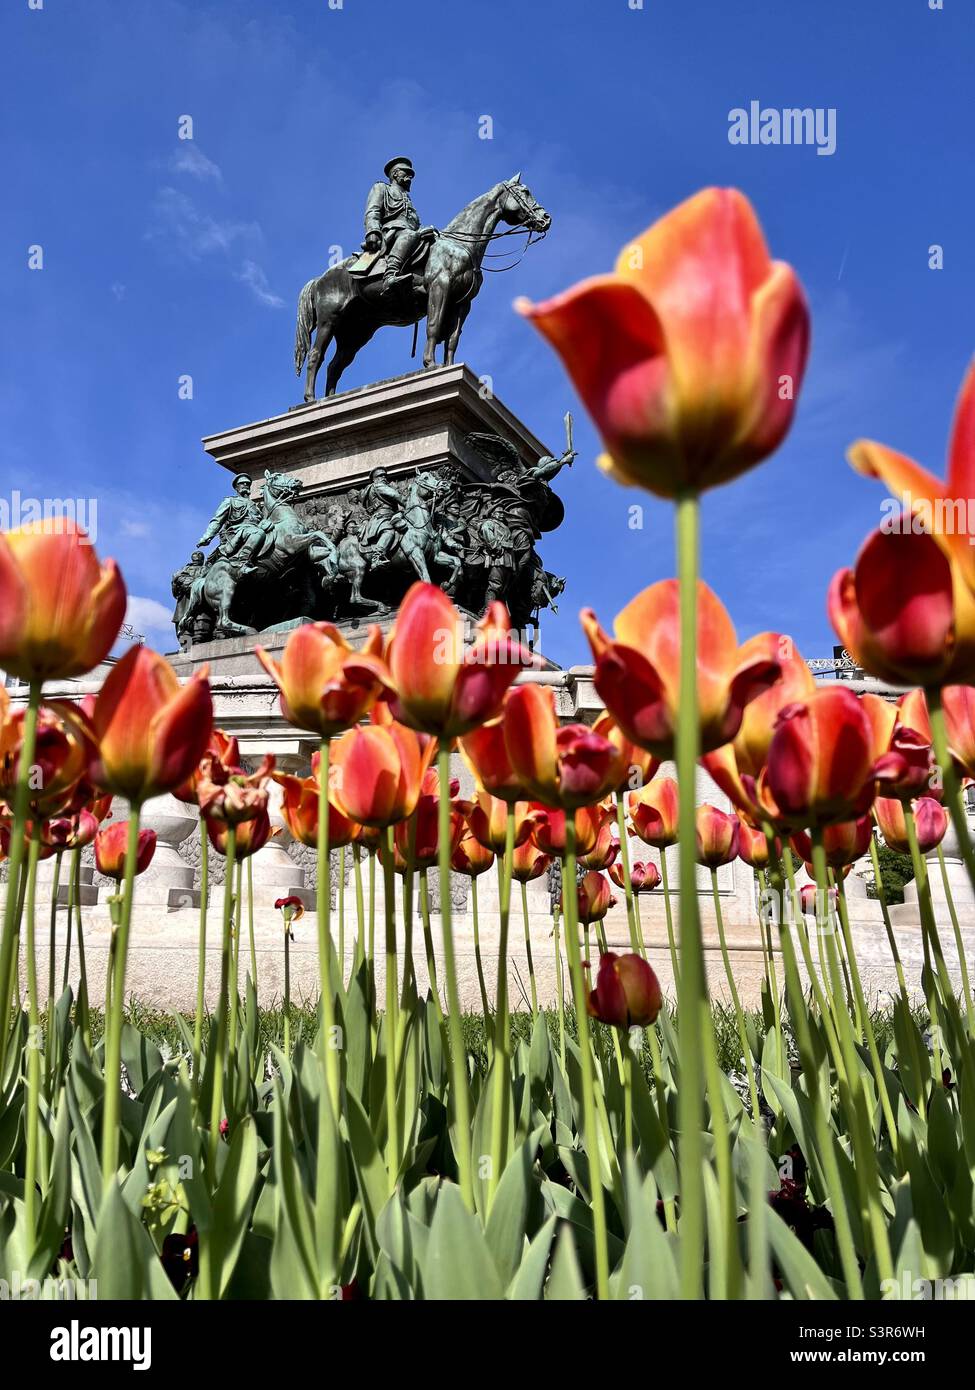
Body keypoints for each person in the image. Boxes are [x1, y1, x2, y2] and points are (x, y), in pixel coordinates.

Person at [362, 158, 433, 295]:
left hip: (411, 233)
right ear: (395, 174)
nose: (409, 177)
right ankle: (389, 276)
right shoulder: (382, 188)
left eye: (410, 175)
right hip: (392, 233)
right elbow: (373, 211)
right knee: (409, 235)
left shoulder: (408, 199)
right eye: (406, 173)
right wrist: (373, 231)